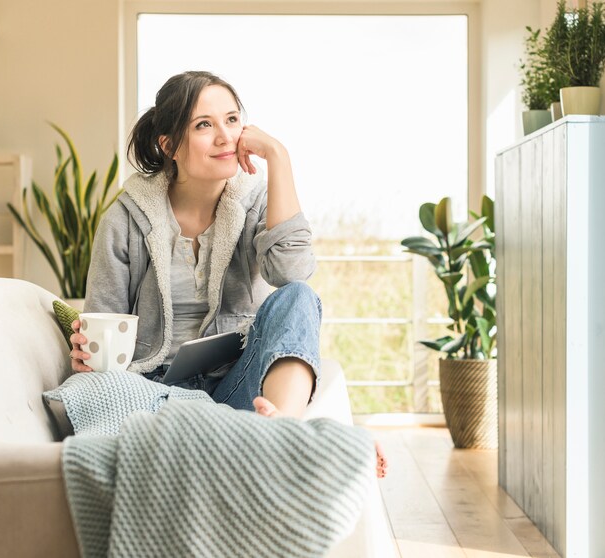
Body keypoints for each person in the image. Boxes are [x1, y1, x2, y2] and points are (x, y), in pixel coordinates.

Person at [67, 70, 386, 477]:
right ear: (169, 146)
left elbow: (293, 272)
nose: (225, 137)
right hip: (153, 389)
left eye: (232, 120)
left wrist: (278, 155)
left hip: (237, 385)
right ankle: (255, 436)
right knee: (92, 393)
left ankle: (283, 433)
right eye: (204, 125)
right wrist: (89, 356)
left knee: (300, 297)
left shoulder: (253, 202)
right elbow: (104, 318)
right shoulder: (125, 218)